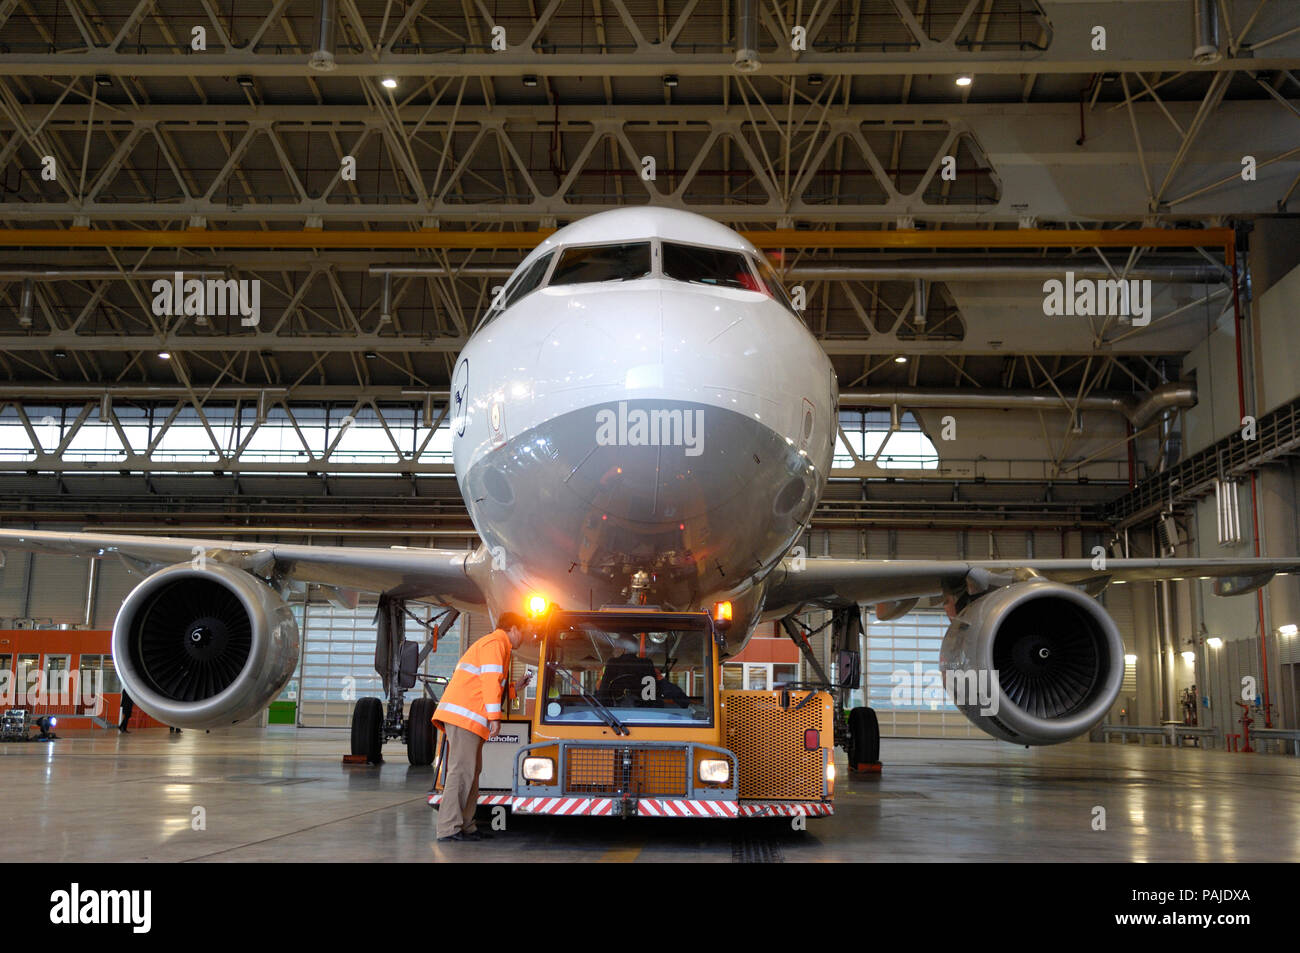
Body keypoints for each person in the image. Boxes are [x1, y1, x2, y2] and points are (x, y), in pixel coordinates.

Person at [432, 612, 532, 842]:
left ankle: (466, 825)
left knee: (472, 772)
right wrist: (495, 717)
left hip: (470, 719)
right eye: (524, 631)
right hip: (464, 718)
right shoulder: (494, 644)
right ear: (515, 628)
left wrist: (515, 687)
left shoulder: (499, 647)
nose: (525, 637)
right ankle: (449, 828)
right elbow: (488, 683)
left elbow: (492, 685)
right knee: (461, 772)